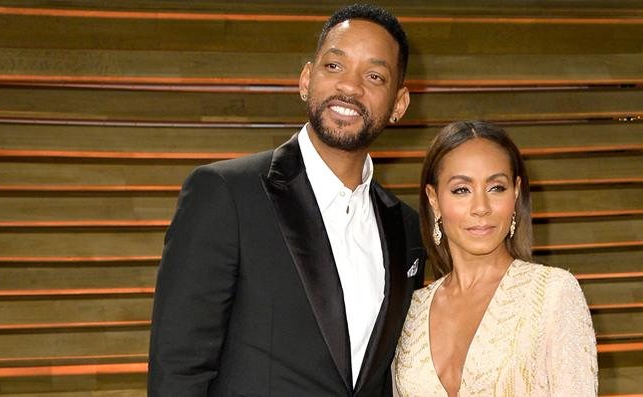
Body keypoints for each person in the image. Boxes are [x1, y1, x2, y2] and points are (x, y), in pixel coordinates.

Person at [148, 4, 426, 396]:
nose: (350, 86)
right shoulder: (225, 194)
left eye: (374, 75)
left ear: (399, 104)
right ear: (306, 79)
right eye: (334, 66)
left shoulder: (406, 227)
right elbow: (178, 370)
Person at [393, 121, 598, 396]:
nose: (481, 207)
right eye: (461, 190)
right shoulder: (411, 310)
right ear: (434, 199)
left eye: (496, 188)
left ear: (515, 192)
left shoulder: (553, 295)